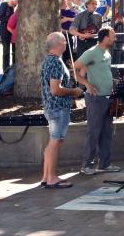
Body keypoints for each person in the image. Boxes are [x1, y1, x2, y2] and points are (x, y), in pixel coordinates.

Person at [39, 32, 84, 189]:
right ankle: (51, 177)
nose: (66, 43)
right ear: (58, 44)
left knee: (54, 141)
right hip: (57, 107)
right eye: (64, 41)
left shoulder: (49, 60)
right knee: (55, 141)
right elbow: (55, 89)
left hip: (52, 107)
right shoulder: (55, 63)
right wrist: (75, 92)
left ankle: (46, 176)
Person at [74, 27, 121, 174]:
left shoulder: (107, 53)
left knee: (106, 132)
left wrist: (113, 80)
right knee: (94, 131)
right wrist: (86, 84)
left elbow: (102, 71)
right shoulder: (91, 52)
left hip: (108, 97)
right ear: (105, 37)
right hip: (95, 99)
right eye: (113, 36)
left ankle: (105, 164)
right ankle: (86, 165)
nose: (115, 38)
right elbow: (75, 68)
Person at [0, 0, 16, 70]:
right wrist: (12, 19)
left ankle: (14, 67)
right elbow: (0, 17)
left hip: (13, 31)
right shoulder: (4, 4)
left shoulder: (15, 6)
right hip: (5, 31)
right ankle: (6, 69)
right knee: (6, 51)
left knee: (14, 51)